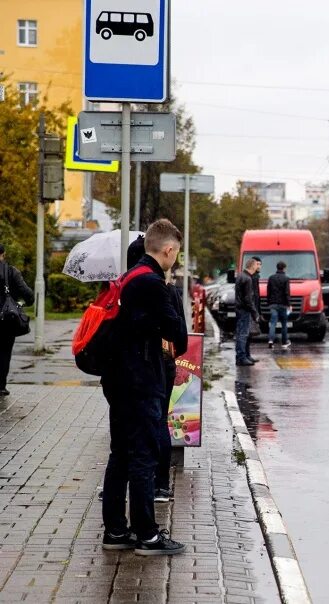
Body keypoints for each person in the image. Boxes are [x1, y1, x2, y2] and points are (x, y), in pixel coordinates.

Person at [100, 219, 188, 555]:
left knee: (120, 454)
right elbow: (178, 336)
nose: (174, 260)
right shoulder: (152, 283)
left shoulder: (127, 278)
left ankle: (116, 532)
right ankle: (147, 535)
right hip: (141, 381)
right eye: (175, 254)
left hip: (118, 380)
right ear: (168, 250)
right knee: (143, 455)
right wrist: (167, 293)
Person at [0, 244, 35, 397]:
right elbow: (28, 295)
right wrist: (22, 302)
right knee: (4, 352)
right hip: (6, 320)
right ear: (3, 254)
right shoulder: (11, 271)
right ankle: (1, 386)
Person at [235, 258, 260, 366]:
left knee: (241, 333)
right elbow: (248, 299)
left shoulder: (241, 276)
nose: (258, 267)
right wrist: (255, 313)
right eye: (256, 265)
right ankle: (241, 357)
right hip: (244, 309)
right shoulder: (248, 279)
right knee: (243, 334)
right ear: (253, 266)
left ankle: (244, 355)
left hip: (239, 308)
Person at [267, 261, 291, 350]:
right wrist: (289, 304)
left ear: (277, 268)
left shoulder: (271, 278)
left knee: (273, 323)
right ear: (284, 268)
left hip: (273, 304)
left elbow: (268, 292)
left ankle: (270, 340)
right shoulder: (286, 278)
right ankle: (284, 343)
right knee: (284, 324)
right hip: (283, 305)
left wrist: (268, 302)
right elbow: (287, 293)